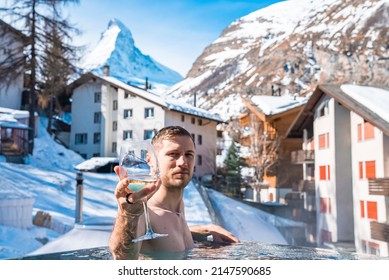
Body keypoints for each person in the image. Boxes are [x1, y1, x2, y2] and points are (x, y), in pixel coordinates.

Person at [109, 126, 239, 260]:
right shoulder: (142, 212)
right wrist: (128, 214)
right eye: (173, 154)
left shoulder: (176, 207)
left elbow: (168, 232)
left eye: (189, 155)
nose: (183, 162)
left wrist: (207, 229)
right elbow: (122, 257)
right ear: (150, 160)